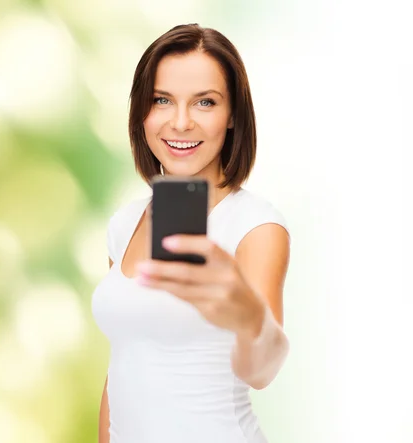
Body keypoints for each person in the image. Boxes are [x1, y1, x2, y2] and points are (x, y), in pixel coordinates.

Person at [92, 23, 291, 443]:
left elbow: (263, 371)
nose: (180, 123)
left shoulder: (256, 227)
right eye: (161, 100)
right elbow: (121, 370)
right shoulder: (123, 225)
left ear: (233, 114)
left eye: (205, 102)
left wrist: (248, 316)